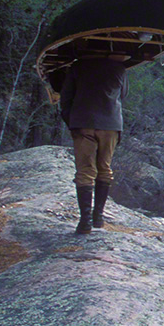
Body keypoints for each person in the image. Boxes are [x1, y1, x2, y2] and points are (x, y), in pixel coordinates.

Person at [58, 54, 128, 234]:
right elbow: (123, 95)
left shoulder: (78, 65)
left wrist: (72, 121)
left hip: (83, 123)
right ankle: (98, 217)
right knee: (104, 169)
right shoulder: (119, 68)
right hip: (111, 124)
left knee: (85, 172)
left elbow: (65, 97)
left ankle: (85, 222)